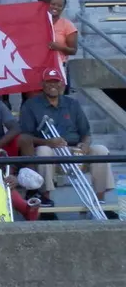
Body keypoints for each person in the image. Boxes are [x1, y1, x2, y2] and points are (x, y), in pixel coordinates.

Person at [20, 68, 114, 207]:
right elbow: (25, 136)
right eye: (49, 82)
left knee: (100, 150)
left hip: (74, 150)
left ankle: (100, 200)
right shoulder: (31, 105)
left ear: (62, 84)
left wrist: (85, 145)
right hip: (51, 152)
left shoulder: (72, 104)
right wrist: (48, 142)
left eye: (56, 82)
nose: (53, 85)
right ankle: (46, 199)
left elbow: (86, 133)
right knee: (43, 151)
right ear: (43, 84)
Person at [48, 0, 78, 88]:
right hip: (39, 67)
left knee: (58, 98)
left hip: (59, 67)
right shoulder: (38, 23)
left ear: (63, 8)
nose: (55, 7)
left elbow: (73, 50)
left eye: (59, 5)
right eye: (53, 4)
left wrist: (58, 47)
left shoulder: (67, 25)